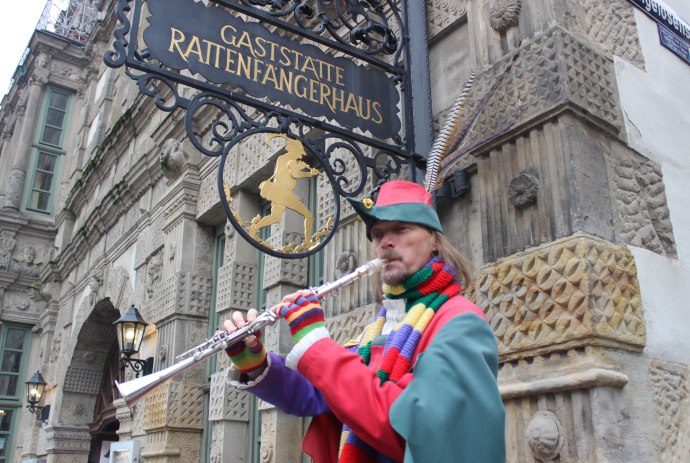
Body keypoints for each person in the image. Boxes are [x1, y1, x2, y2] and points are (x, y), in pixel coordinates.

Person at [224, 180, 506, 463]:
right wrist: (258, 365)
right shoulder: (381, 326)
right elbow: (323, 395)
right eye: (377, 234)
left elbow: (410, 428)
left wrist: (316, 344)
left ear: (434, 240)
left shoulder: (460, 322)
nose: (386, 242)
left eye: (401, 229)